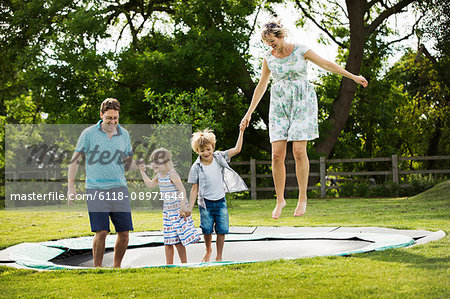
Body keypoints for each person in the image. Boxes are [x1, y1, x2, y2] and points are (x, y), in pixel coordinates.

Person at [240, 20, 368, 219]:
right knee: (276, 155)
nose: (269, 45)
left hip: (302, 102)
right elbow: (261, 86)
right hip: (279, 105)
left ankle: (302, 198)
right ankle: (280, 199)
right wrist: (248, 113)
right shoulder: (269, 58)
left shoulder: (301, 50)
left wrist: (352, 76)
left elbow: (326, 64)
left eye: (271, 40)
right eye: (266, 42)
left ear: (281, 36)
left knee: (299, 151)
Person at [67, 98, 140, 268]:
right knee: (101, 232)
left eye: (115, 118)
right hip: (95, 188)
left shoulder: (125, 135)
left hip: (119, 188)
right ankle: (98, 269)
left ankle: (116, 268)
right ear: (101, 115)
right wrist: (71, 186)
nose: (113, 121)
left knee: (124, 233)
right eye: (109, 118)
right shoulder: (88, 134)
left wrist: (143, 165)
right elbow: (74, 161)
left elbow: (127, 163)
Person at [187, 128, 247, 262]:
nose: (206, 153)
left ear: (213, 147)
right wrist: (189, 207)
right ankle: (208, 250)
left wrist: (241, 131)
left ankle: (219, 256)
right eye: (202, 151)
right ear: (197, 151)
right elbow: (194, 188)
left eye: (208, 149)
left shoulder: (219, 157)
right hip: (205, 204)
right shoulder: (196, 167)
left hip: (220, 201)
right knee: (206, 229)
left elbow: (237, 149)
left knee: (222, 229)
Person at [138, 148, 200, 265]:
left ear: (166, 162)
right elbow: (150, 185)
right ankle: (169, 265)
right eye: (152, 162)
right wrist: (142, 172)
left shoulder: (172, 174)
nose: (153, 164)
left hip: (177, 210)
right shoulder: (159, 175)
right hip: (167, 211)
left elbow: (182, 189)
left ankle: (184, 264)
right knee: (168, 241)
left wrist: (183, 206)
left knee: (178, 241)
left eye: (157, 162)